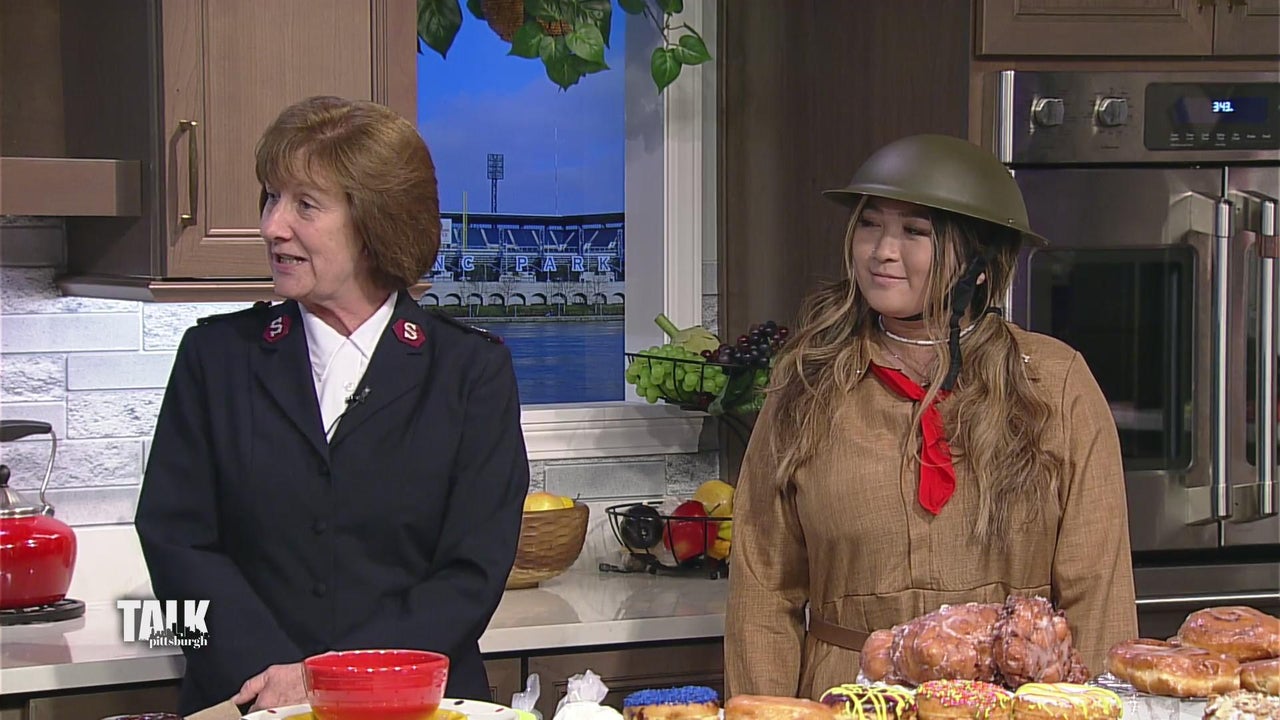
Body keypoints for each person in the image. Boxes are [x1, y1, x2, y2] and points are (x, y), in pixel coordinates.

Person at [135, 96, 530, 714]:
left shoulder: (469, 372)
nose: (272, 226)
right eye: (271, 198)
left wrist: (331, 678)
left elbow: (471, 573)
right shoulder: (214, 359)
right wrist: (272, 679)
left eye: (305, 205)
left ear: (375, 223)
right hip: (248, 699)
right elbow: (174, 543)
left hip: (413, 707)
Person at [723, 134, 1138, 699]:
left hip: (1012, 705)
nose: (882, 251)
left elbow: (1098, 591)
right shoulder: (808, 384)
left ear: (981, 263)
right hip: (847, 701)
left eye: (915, 232)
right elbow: (763, 591)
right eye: (871, 225)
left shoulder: (1056, 383)